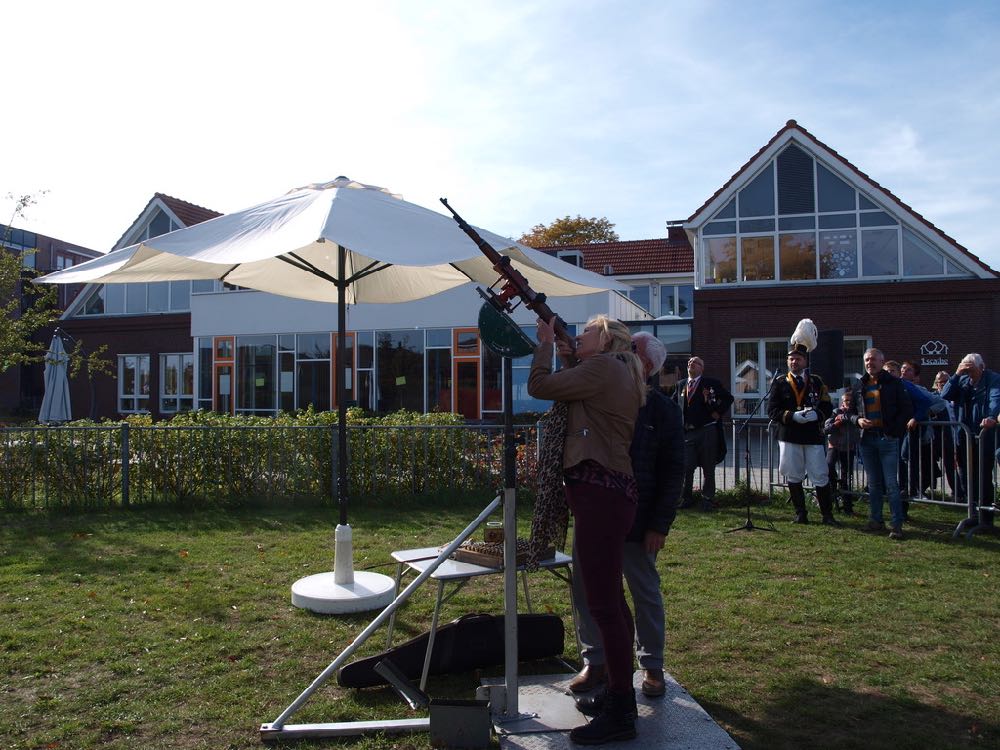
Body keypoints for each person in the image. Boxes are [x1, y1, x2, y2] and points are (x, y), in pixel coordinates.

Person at [528, 314, 646, 745]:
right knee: (612, 600)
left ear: (609, 339)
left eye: (588, 332)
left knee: (603, 605)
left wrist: (543, 343)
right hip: (608, 494)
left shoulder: (603, 367)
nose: (578, 336)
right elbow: (573, 394)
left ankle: (620, 712)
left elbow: (539, 387)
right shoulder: (612, 369)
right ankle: (621, 693)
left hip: (600, 494)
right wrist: (566, 359)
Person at [570, 332, 684, 707]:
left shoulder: (663, 410)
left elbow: (673, 471)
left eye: (629, 349)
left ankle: (651, 664)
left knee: (642, 590)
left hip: (638, 518)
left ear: (647, 365)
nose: (618, 353)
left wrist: (659, 525)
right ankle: (596, 660)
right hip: (596, 507)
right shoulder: (603, 391)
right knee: (587, 588)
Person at [767, 343, 836, 524]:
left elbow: (827, 406)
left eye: (798, 358)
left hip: (812, 435)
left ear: (805, 360)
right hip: (789, 435)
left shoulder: (816, 381)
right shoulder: (780, 382)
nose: (794, 361)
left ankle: (827, 515)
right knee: (793, 474)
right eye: (791, 358)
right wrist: (792, 416)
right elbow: (772, 411)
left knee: (820, 474)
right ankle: (800, 513)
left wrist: (818, 414)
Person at [849, 348, 914, 540]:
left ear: (881, 361)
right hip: (866, 439)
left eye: (873, 360)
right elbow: (850, 411)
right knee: (874, 484)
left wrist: (893, 431)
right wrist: (857, 421)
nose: (870, 363)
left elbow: (906, 409)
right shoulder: (859, 384)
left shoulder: (894, 383)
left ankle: (896, 524)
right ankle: (875, 520)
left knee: (891, 484)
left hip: (887, 439)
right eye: (867, 360)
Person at [940, 353, 1000, 523]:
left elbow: (995, 399)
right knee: (965, 476)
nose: (969, 373)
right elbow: (945, 394)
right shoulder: (961, 380)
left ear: (982, 367)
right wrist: (957, 374)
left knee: (983, 477)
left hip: (984, 436)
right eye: (966, 369)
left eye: (972, 369)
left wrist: (991, 416)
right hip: (963, 436)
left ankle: (986, 519)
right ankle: (972, 514)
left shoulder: (993, 379)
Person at [676, 356, 733, 511]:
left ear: (702, 368)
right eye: (689, 362)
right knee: (686, 466)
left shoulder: (710, 383)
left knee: (708, 467)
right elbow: (673, 404)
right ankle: (686, 498)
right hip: (688, 432)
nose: (691, 364)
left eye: (695, 362)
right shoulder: (681, 385)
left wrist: (718, 412)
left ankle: (707, 499)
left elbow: (728, 398)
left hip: (707, 430)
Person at [898, 360, 947, 508]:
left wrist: (921, 416)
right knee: (904, 460)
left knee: (911, 459)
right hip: (898, 430)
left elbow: (938, 402)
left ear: (915, 375)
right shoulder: (894, 386)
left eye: (909, 370)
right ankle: (905, 493)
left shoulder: (916, 388)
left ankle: (914, 490)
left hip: (916, 432)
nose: (904, 372)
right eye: (903, 369)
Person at [824, 391, 859, 515]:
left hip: (848, 448)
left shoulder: (857, 414)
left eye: (850, 401)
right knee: (828, 467)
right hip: (834, 446)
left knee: (846, 478)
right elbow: (826, 428)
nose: (848, 403)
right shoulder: (834, 413)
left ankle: (847, 506)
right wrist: (837, 423)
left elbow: (853, 422)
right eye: (845, 401)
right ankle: (832, 493)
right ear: (841, 402)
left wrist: (844, 418)